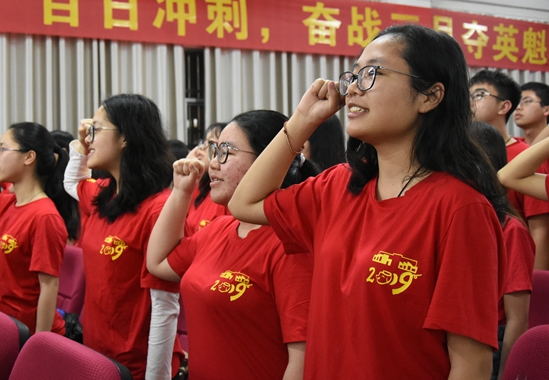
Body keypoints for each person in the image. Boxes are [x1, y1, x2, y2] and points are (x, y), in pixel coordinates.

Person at [229, 24, 507, 379]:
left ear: (430, 96)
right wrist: (302, 121)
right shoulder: (338, 185)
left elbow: (471, 365)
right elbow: (245, 204)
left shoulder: (461, 209)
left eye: (373, 73)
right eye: (354, 74)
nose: (353, 88)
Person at [147, 109, 317, 380]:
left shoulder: (290, 244)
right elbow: (158, 263)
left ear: (268, 160)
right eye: (215, 151)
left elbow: (303, 362)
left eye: (226, 152)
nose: (213, 164)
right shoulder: (219, 228)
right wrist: (181, 191)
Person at [63, 94, 184, 380]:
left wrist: (155, 376)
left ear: (125, 138)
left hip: (136, 365)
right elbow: (72, 181)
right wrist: (81, 143)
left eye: (96, 129)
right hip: (96, 352)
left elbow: (165, 306)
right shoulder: (103, 195)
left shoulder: (159, 210)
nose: (89, 138)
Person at [0, 122, 79, 334]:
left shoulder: (45, 216)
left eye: (2, 149)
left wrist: (39, 343)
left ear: (29, 157)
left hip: (25, 331)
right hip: (0, 322)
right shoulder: (8, 203)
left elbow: (49, 287)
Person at [469, 121, 535, 380]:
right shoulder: (460, 218)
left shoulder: (511, 229)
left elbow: (517, 319)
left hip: (491, 341)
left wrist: (507, 374)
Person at [470, 70, 549, 271]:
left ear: (504, 106)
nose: (471, 102)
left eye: (479, 95)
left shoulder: (526, 158)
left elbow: (540, 229)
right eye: (468, 96)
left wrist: (537, 280)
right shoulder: (463, 155)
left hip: (514, 267)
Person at [185, 122, 228, 234]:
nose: (201, 147)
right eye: (203, 141)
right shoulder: (199, 189)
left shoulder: (228, 194)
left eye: (210, 142)